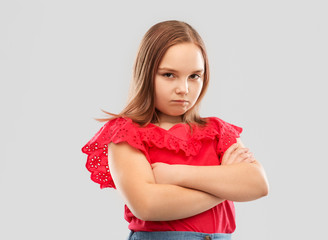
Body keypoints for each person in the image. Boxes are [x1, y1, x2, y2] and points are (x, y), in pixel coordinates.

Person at [82, 20, 269, 240]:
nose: (184, 89)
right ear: (146, 73)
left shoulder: (217, 130)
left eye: (194, 76)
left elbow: (257, 184)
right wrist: (226, 185)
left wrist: (173, 174)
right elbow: (148, 205)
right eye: (169, 75)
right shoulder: (126, 132)